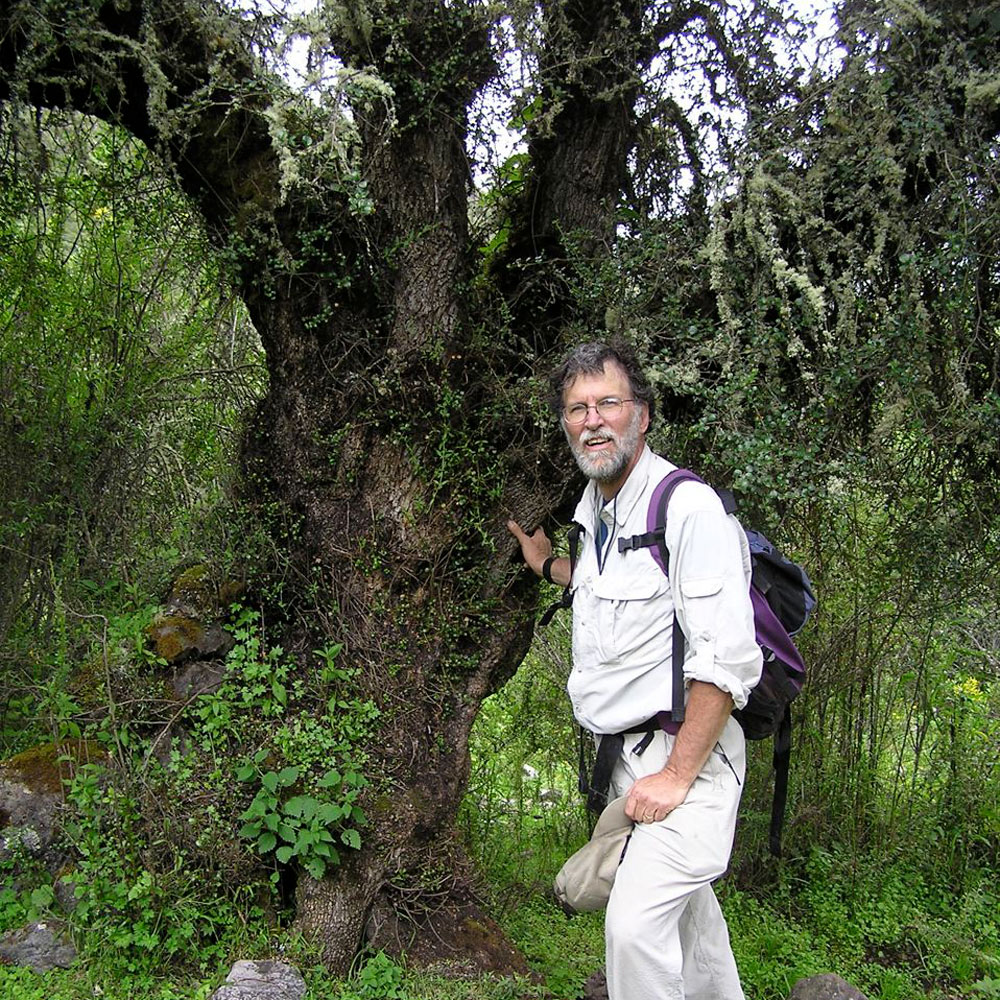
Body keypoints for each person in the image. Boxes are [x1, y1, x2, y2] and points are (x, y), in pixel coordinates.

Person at [507, 341, 762, 1000]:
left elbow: (725, 658)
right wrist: (545, 566)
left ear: (641, 416)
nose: (592, 420)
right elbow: (606, 581)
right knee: (692, 933)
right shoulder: (595, 507)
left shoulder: (688, 508)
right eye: (577, 408)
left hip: (690, 765)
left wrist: (677, 775)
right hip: (629, 767)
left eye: (608, 403)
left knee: (634, 929)